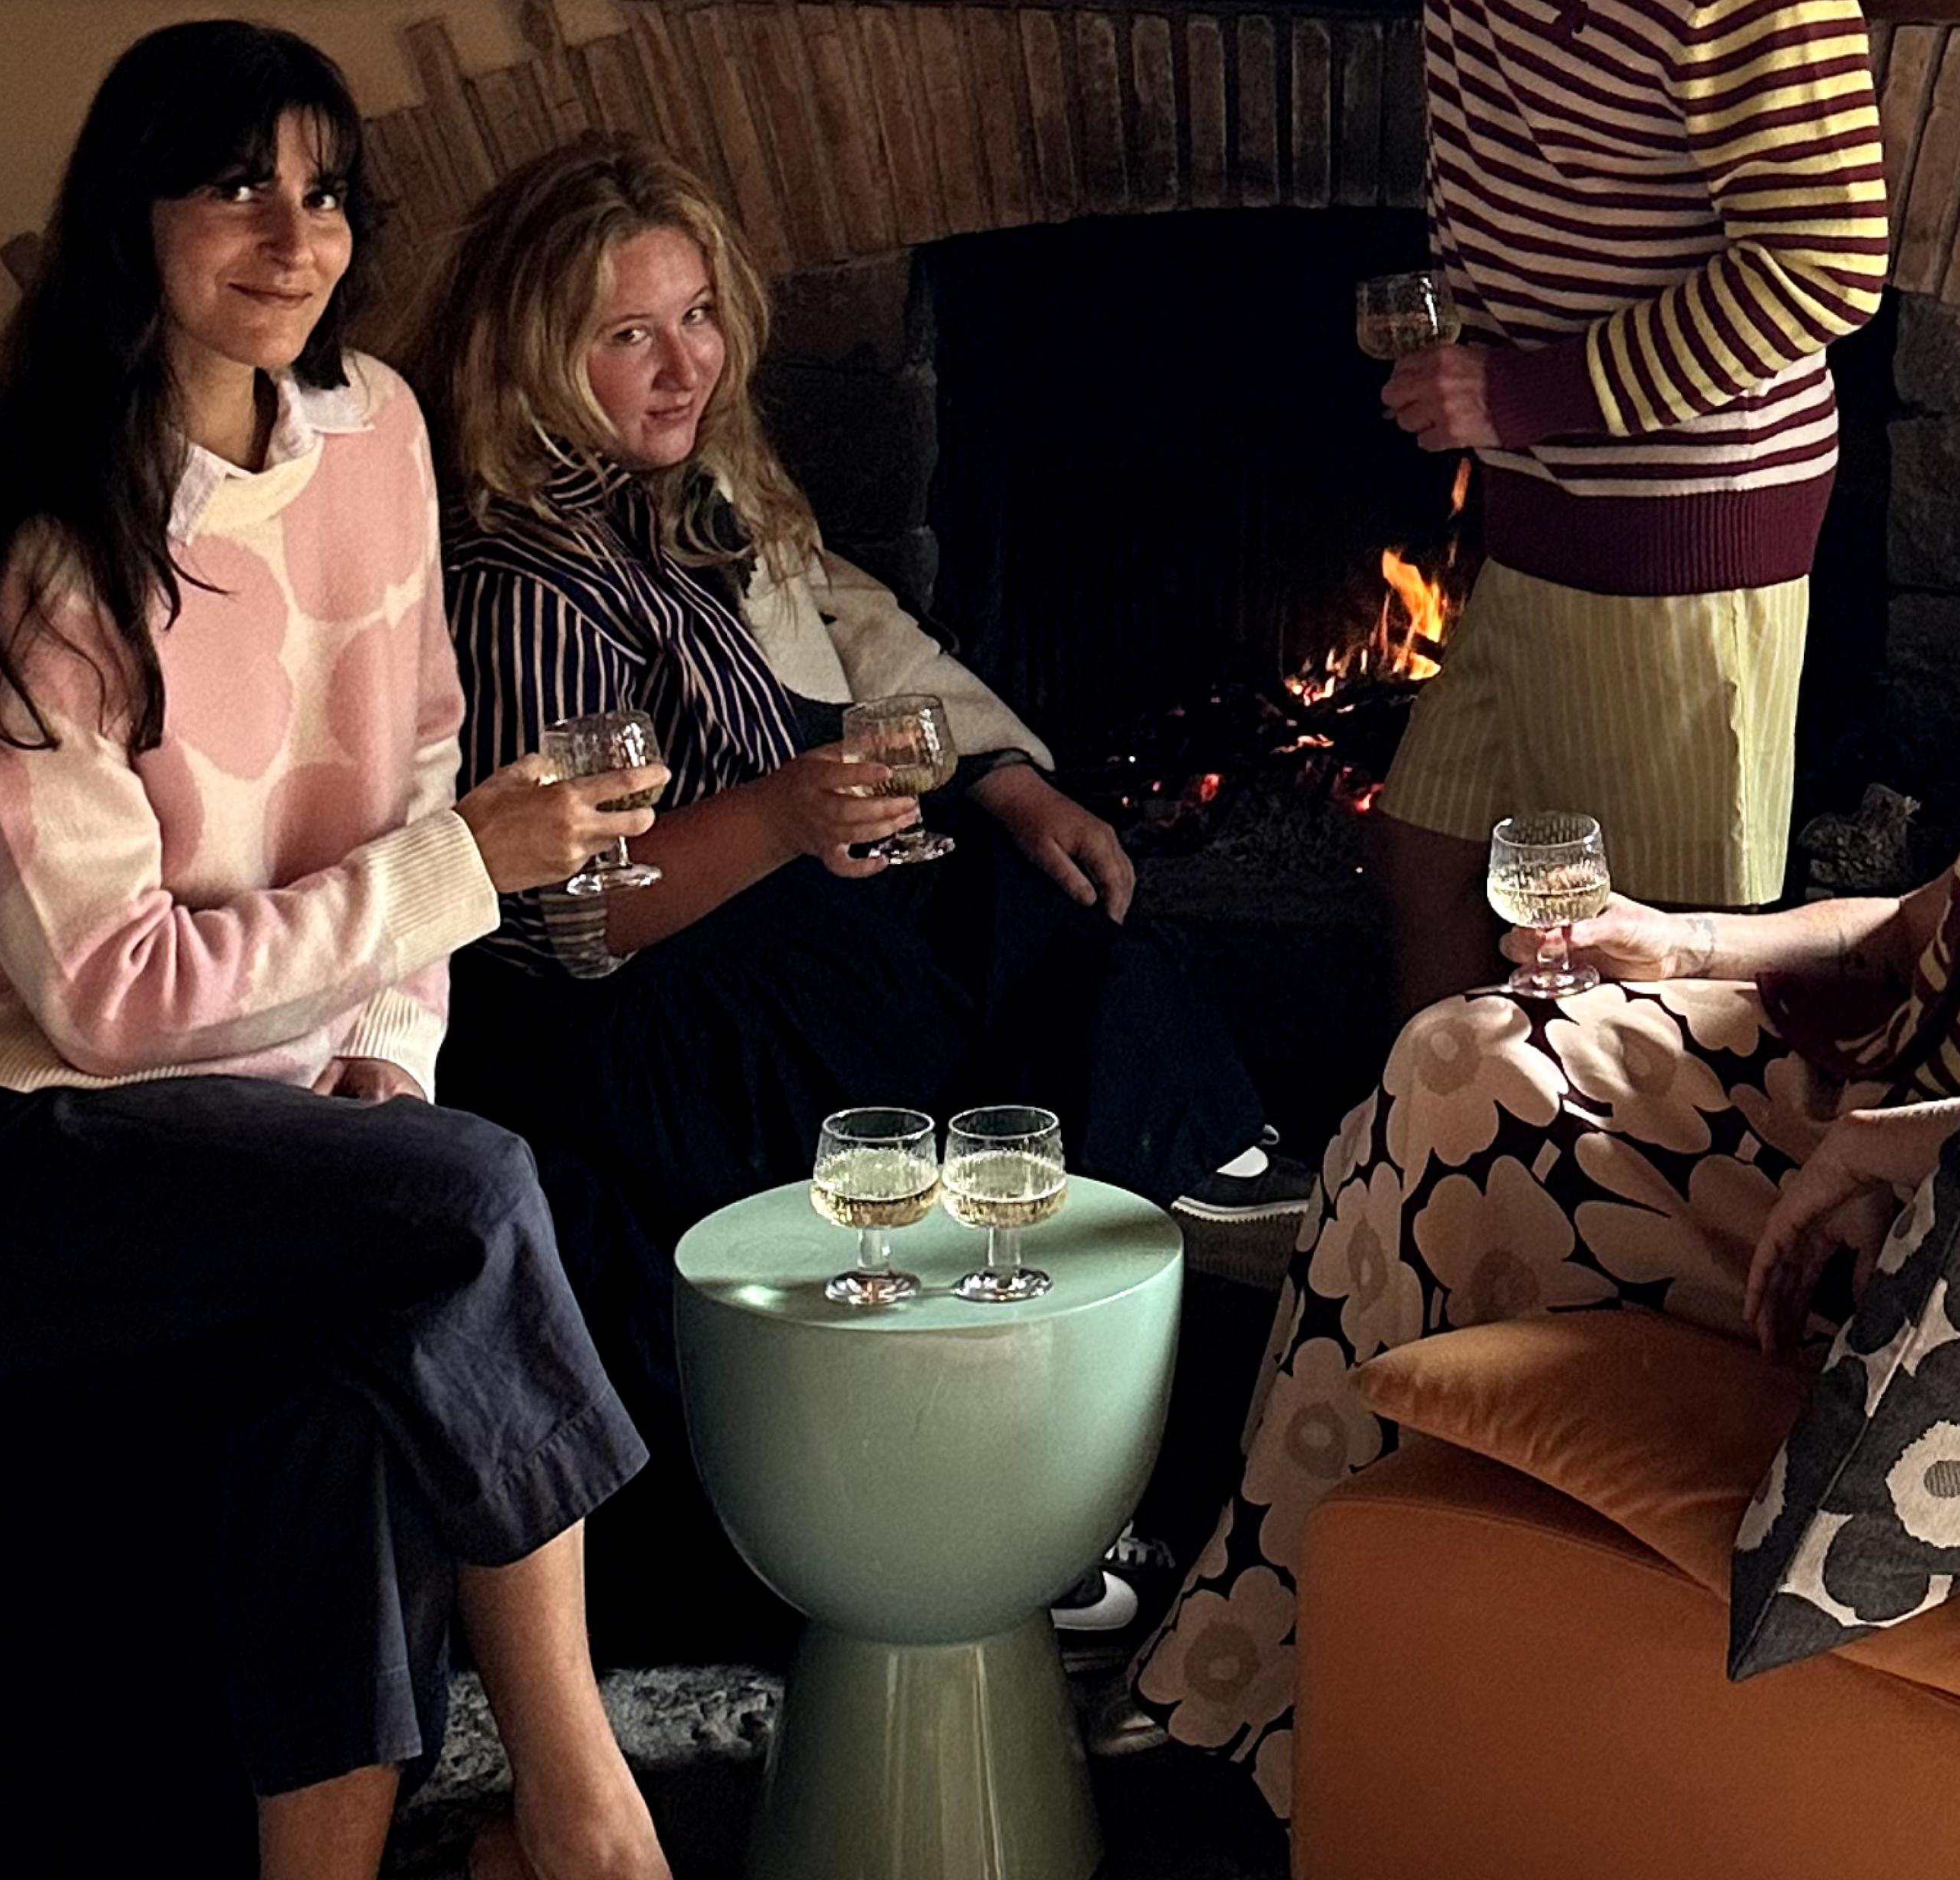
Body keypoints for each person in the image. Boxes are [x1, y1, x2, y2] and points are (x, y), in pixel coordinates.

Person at [1095, 425, 1960, 1816]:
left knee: (1443, 1153)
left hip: (1881, 1233)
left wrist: (1864, 1149)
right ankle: (1293, 1660)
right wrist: (1676, 942)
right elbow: (1898, 935)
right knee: (1449, 1055)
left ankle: (1261, 1663)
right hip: (1823, 1088)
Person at [902, 0, 1892, 1016]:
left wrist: (1525, 395)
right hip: (1538, 516)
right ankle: (1434, 1172)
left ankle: (1663, 1241)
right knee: (1425, 856)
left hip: (1682, 528)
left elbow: (1826, 270)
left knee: (1657, 965)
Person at [403, 133, 1308, 1643]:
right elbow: (578, 918)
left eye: (696, 317)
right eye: (625, 334)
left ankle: (1111, 1299)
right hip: (636, 1006)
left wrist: (983, 781)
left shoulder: (674, 498)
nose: (678, 363)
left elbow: (840, 628)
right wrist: (780, 815)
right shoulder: (529, 585)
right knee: (964, 992)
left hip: (757, 912)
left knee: (1017, 890)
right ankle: (1012, 1462)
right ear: (535, 355)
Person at [0, 21, 672, 1880]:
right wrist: (461, 874)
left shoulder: (374, 428)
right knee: (466, 1207)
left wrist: (393, 1045)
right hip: (44, 1148)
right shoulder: (47, 553)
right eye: (234, 188)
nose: (294, 238)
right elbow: (111, 999)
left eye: (325, 193)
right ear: (132, 221)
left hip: (284, 1125)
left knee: (336, 1413)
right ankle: (580, 1798)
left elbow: (422, 749)